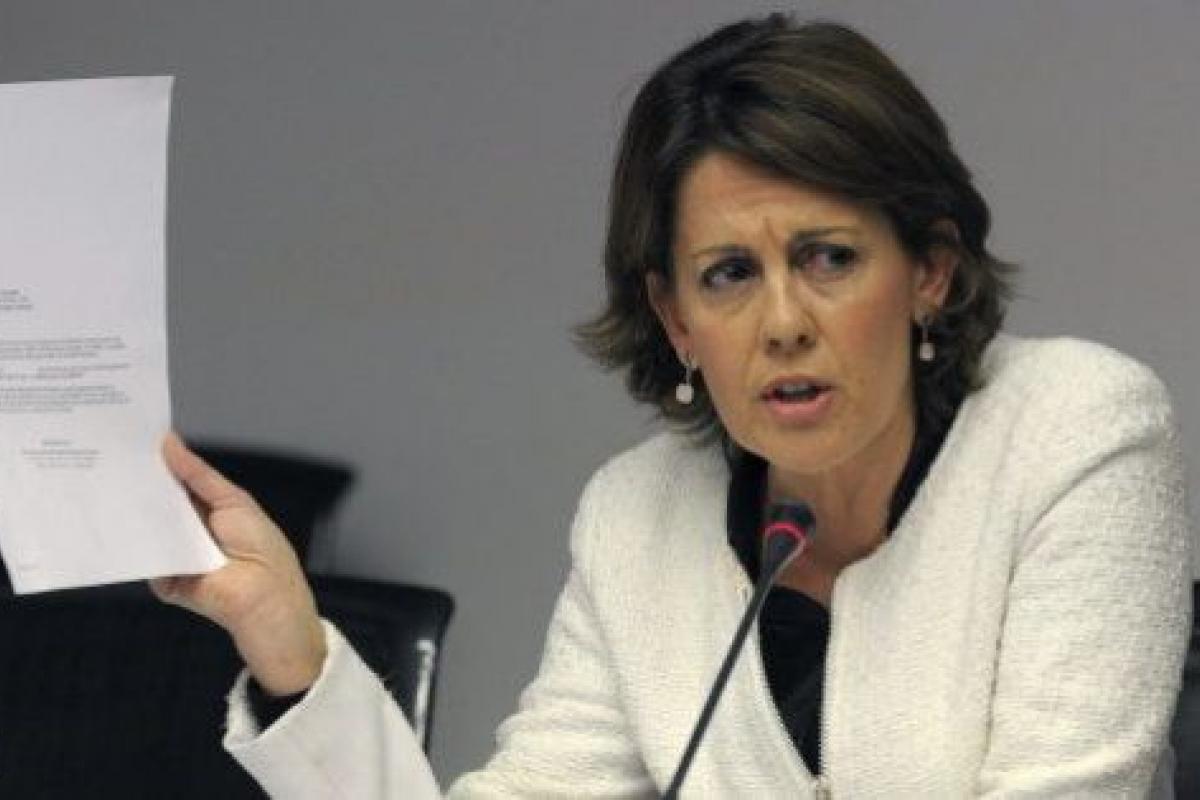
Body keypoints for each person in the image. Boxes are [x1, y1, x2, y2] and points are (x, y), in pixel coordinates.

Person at [152, 14, 1191, 798]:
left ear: (930, 269)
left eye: (829, 258)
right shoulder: (638, 517)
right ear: (676, 317)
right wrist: (292, 650)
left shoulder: (1071, 431)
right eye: (729, 274)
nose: (782, 323)